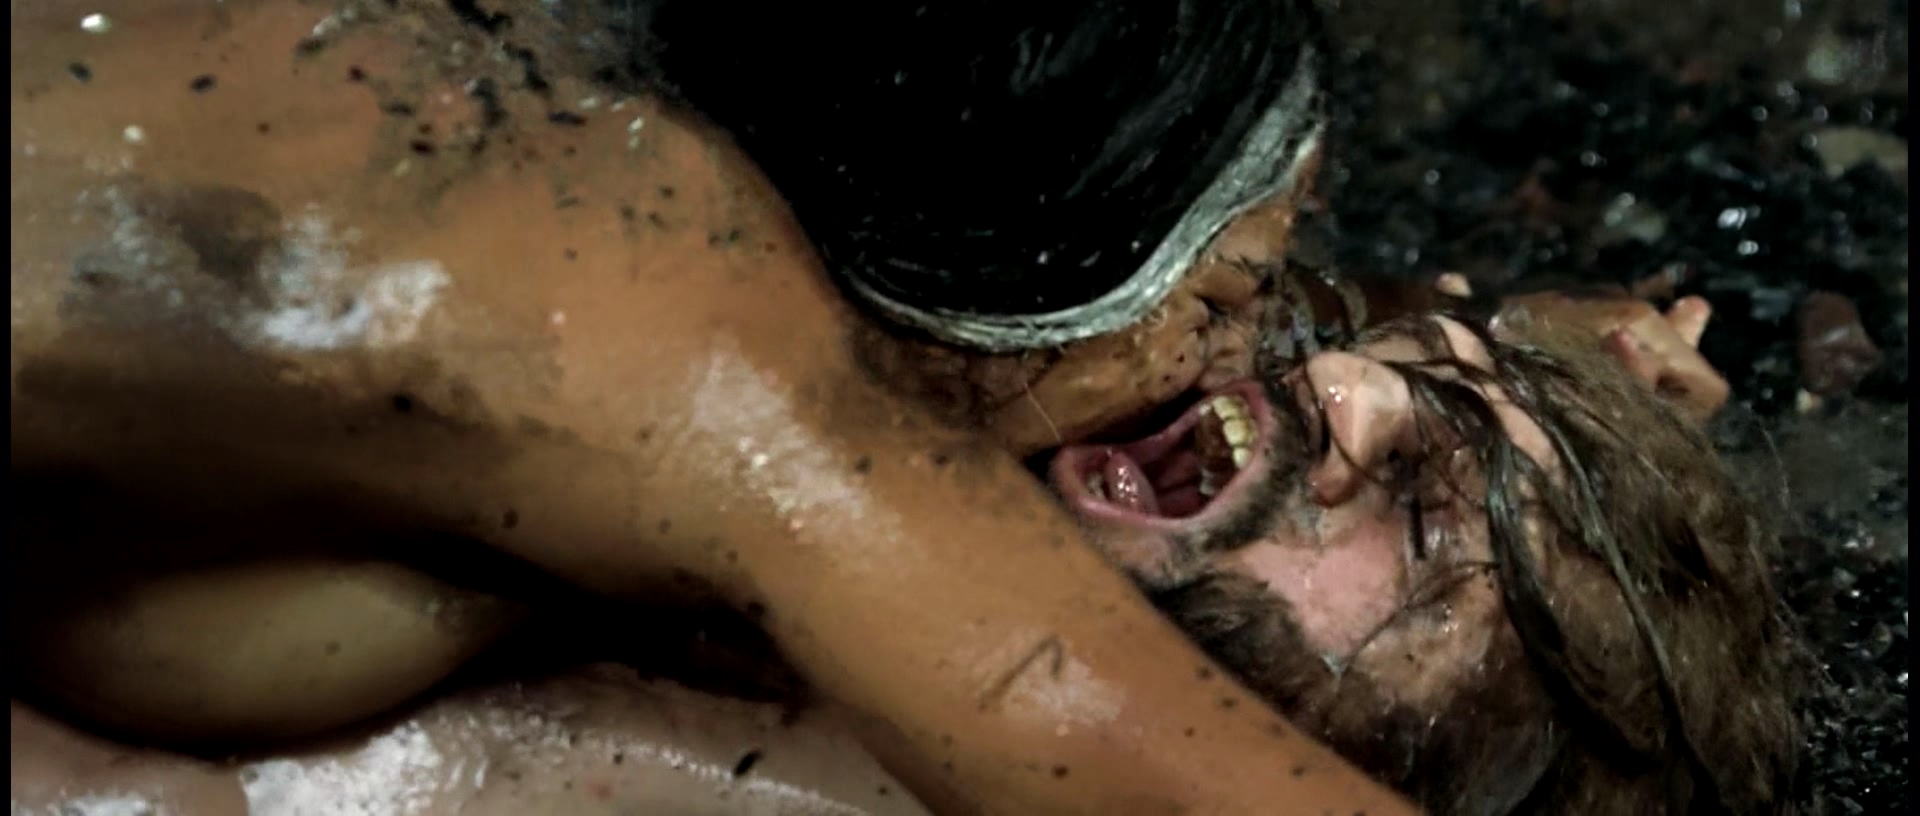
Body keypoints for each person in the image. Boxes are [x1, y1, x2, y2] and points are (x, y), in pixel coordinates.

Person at [8, 0, 1790, 813]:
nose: (1302, 365)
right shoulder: (713, 401)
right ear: (1002, 309)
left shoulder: (775, 113)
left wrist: (1511, 362)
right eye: (1226, 305)